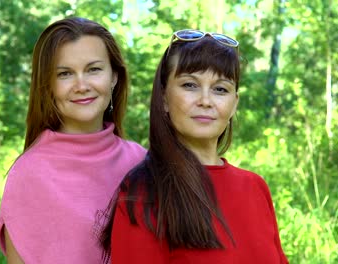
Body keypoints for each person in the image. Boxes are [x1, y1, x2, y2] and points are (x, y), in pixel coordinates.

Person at [99, 29, 288, 264]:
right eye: (190, 85)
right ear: (165, 98)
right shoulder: (144, 192)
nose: (206, 101)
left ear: (234, 104)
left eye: (220, 89)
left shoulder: (256, 187)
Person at [0, 17, 146, 263]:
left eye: (93, 69)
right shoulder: (28, 173)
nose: (81, 85)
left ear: (114, 77)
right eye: (65, 74)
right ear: (49, 86)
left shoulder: (142, 162)